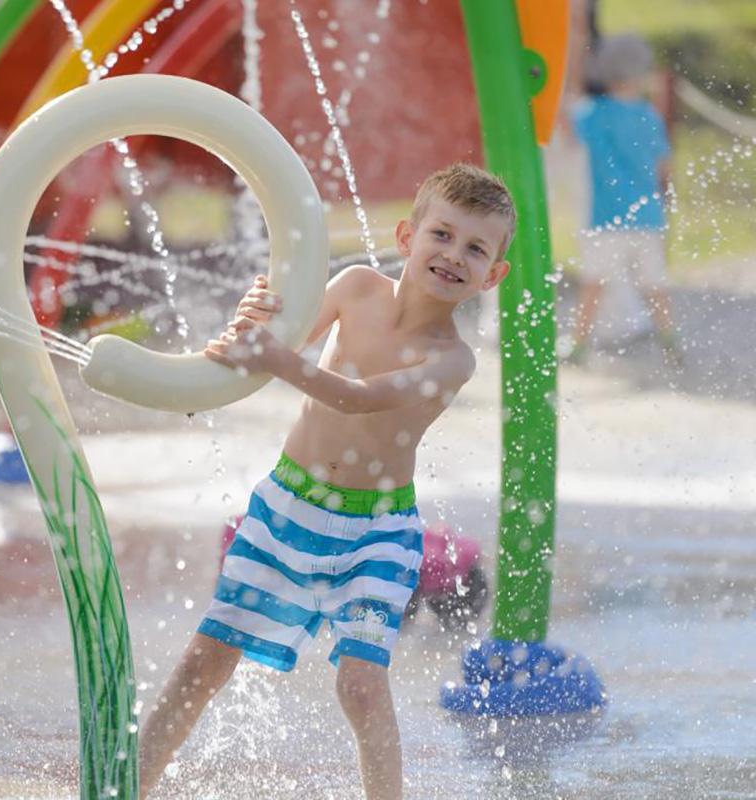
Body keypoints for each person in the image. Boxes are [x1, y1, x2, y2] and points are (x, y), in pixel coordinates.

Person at [137, 163, 515, 800]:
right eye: (442, 235)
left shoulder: (453, 359)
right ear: (407, 236)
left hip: (378, 530)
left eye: (475, 249)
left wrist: (279, 358)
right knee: (206, 660)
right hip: (286, 505)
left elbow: (359, 399)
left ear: (493, 275)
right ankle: (129, 787)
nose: (454, 255)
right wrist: (252, 322)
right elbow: (266, 345)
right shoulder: (356, 287)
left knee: (361, 686)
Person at [568, 33, 679, 365]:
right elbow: (664, 166)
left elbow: (568, 120)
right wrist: (666, 199)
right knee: (655, 285)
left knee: (593, 284)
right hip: (649, 216)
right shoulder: (650, 115)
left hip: (607, 217)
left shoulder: (593, 113)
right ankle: (670, 343)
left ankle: (578, 346)